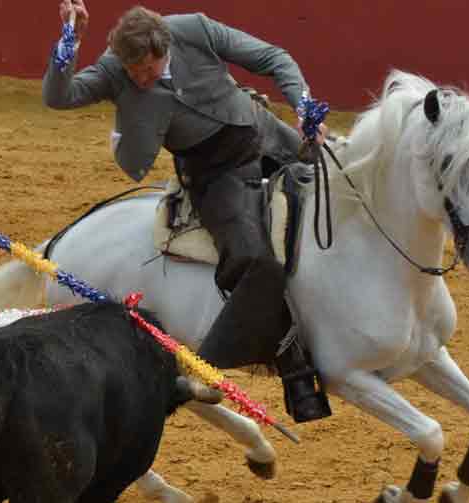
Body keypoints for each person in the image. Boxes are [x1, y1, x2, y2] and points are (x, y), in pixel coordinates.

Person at [43, 1, 330, 423]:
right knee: (252, 260)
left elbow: (273, 58)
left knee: (340, 190)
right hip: (215, 174)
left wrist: (304, 107)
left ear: (166, 48)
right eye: (135, 73)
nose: (144, 78)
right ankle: (220, 366)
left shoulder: (192, 28)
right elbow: (58, 96)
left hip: (263, 130)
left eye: (151, 68)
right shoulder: (112, 71)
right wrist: (70, 40)